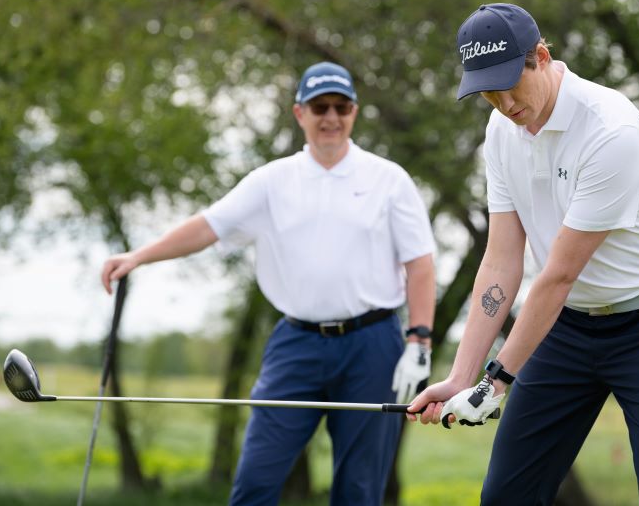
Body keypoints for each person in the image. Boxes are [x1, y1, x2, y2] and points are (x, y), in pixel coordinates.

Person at [101, 61, 436, 506]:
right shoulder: (272, 181)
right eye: (320, 107)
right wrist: (139, 255)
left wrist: (419, 340)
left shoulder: (388, 179)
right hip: (296, 344)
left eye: (341, 106)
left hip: (372, 345)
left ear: (354, 112)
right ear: (300, 113)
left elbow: (421, 264)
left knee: (359, 490)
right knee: (255, 482)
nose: (331, 117)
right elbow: (208, 227)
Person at [408, 3, 639, 505]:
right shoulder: (501, 133)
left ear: (540, 57)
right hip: (566, 328)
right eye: (487, 92)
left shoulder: (613, 131)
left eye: (509, 83)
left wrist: (495, 381)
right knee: (506, 495)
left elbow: (558, 274)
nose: (503, 103)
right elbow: (501, 260)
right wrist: (462, 376)